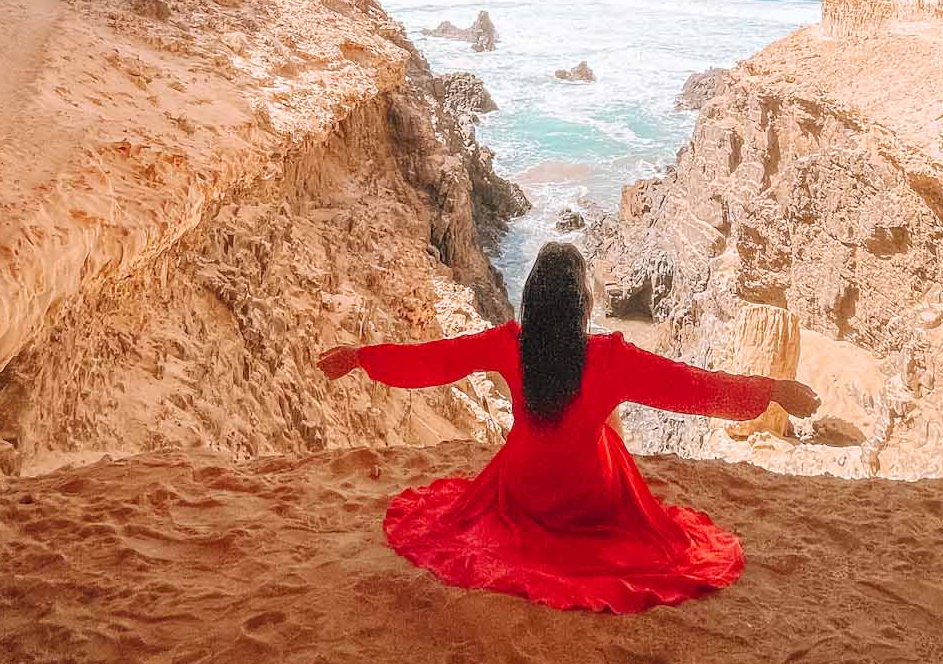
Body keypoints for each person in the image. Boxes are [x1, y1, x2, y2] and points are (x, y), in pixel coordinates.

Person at [317, 239, 819, 614]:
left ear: (531, 300)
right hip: (586, 499)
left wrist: (364, 357)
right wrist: (771, 391)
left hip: (523, 488)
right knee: (607, 438)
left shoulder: (509, 344)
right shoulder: (610, 359)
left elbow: (437, 360)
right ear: (583, 304)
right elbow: (693, 389)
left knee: (573, 438)